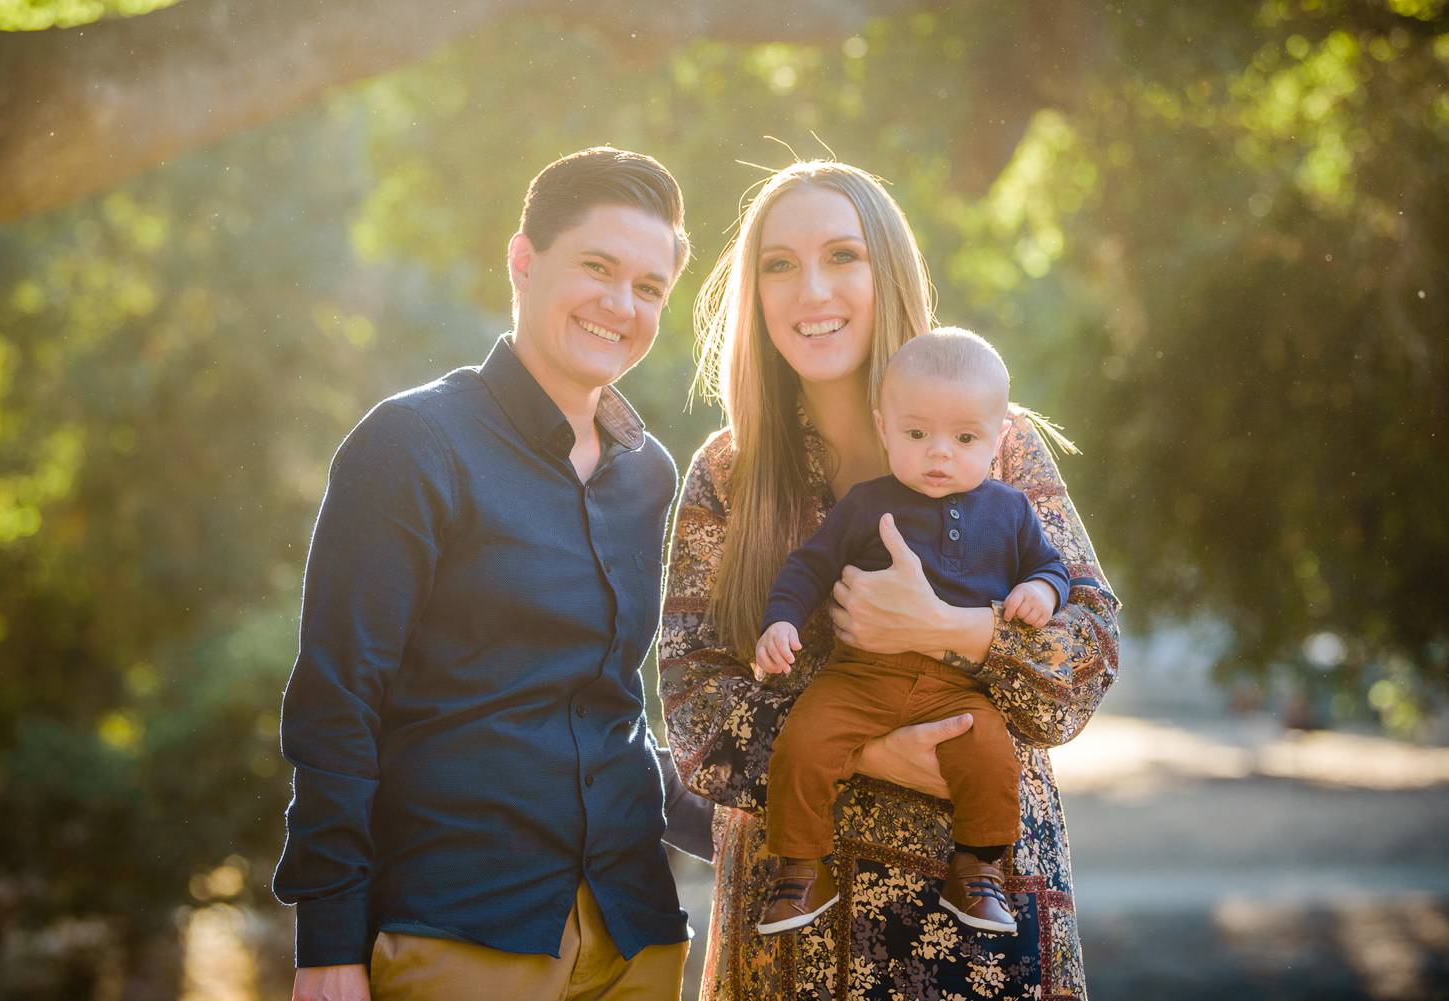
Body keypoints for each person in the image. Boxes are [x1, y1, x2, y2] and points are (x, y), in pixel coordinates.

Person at [659, 161, 1121, 1000]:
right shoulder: (728, 474)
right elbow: (692, 708)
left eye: (842, 255)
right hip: (788, 951)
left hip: (980, 945)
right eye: (779, 263)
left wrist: (951, 627)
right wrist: (872, 753)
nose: (811, 289)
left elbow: (1085, 665)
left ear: (889, 272)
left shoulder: (999, 448)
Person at [274, 147, 695, 1001]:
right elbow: (337, 702)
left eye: (649, 287)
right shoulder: (412, 445)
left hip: (636, 936)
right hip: (459, 931)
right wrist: (327, 940)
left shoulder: (647, 474)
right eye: (598, 267)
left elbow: (604, 709)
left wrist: (765, 818)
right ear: (523, 260)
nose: (622, 304)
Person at [754, 327, 1071, 937]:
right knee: (803, 742)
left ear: (999, 438)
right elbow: (810, 565)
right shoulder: (867, 503)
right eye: (917, 434)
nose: (939, 454)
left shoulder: (1009, 510)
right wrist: (781, 620)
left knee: (990, 755)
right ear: (884, 426)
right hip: (862, 677)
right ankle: (800, 868)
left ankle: (977, 870)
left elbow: (1051, 566)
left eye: (965, 438)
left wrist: (1039, 591)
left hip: (958, 683)